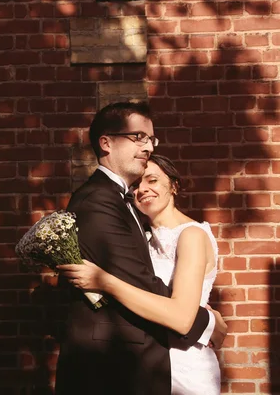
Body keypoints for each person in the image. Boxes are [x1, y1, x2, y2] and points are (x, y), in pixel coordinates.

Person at [53, 101, 227, 395]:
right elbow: (143, 283)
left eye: (151, 139)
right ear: (106, 143)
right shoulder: (99, 201)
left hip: (167, 360)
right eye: (138, 137)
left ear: (174, 186)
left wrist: (196, 316)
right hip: (115, 368)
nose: (147, 146)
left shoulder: (170, 226)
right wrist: (206, 320)